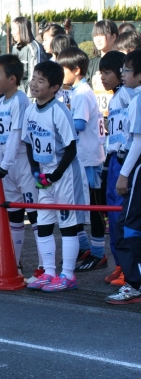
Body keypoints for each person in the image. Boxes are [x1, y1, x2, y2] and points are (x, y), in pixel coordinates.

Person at [23, 61, 85, 292]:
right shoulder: (30, 110)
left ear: (55, 87)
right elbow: (29, 144)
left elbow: (71, 148)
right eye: (34, 79)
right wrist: (36, 172)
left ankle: (67, 275)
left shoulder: (59, 110)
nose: (34, 84)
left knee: (68, 225)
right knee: (44, 223)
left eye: (41, 81)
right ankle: (49, 272)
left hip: (64, 175)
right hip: (44, 177)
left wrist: (55, 175)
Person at [0, 54, 40, 277]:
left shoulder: (20, 100)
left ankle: (44, 264)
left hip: (22, 164)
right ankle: (15, 264)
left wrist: (5, 164)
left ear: (12, 79)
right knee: (15, 216)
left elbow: (17, 135)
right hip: (7, 167)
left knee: (36, 214)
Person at [58, 47, 107, 272]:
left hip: (89, 158)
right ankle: (84, 248)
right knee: (77, 204)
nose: (60, 73)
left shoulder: (82, 92)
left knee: (94, 207)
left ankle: (98, 253)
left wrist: (58, 123)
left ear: (76, 70)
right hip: (81, 157)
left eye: (63, 69)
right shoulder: (75, 91)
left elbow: (78, 124)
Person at [100, 50, 140, 287]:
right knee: (114, 215)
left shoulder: (129, 95)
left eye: (108, 72)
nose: (103, 77)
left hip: (126, 160)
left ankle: (128, 268)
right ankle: (120, 264)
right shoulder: (117, 96)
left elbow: (134, 136)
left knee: (122, 214)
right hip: (115, 158)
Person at [11, 16, 47, 97]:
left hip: (30, 96)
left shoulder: (33, 48)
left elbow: (34, 76)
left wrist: (30, 99)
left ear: (22, 29)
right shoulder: (15, 48)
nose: (11, 32)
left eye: (14, 29)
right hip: (18, 95)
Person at [86, 20, 118, 90]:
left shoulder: (120, 61)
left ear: (113, 37)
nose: (98, 40)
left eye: (101, 35)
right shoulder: (91, 63)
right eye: (95, 36)